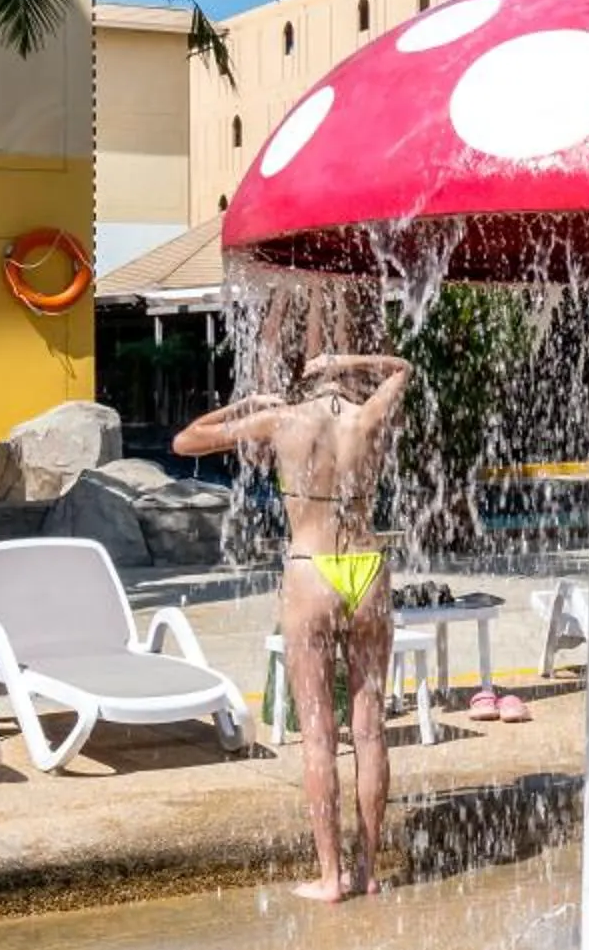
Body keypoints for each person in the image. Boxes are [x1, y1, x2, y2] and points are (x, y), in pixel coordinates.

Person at [175, 343, 412, 902]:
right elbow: (403, 368)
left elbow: (185, 441)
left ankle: (330, 878)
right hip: (367, 566)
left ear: (302, 388)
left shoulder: (279, 419)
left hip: (311, 572)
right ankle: (367, 871)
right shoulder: (367, 415)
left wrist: (245, 404)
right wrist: (351, 363)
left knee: (318, 737)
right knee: (371, 730)